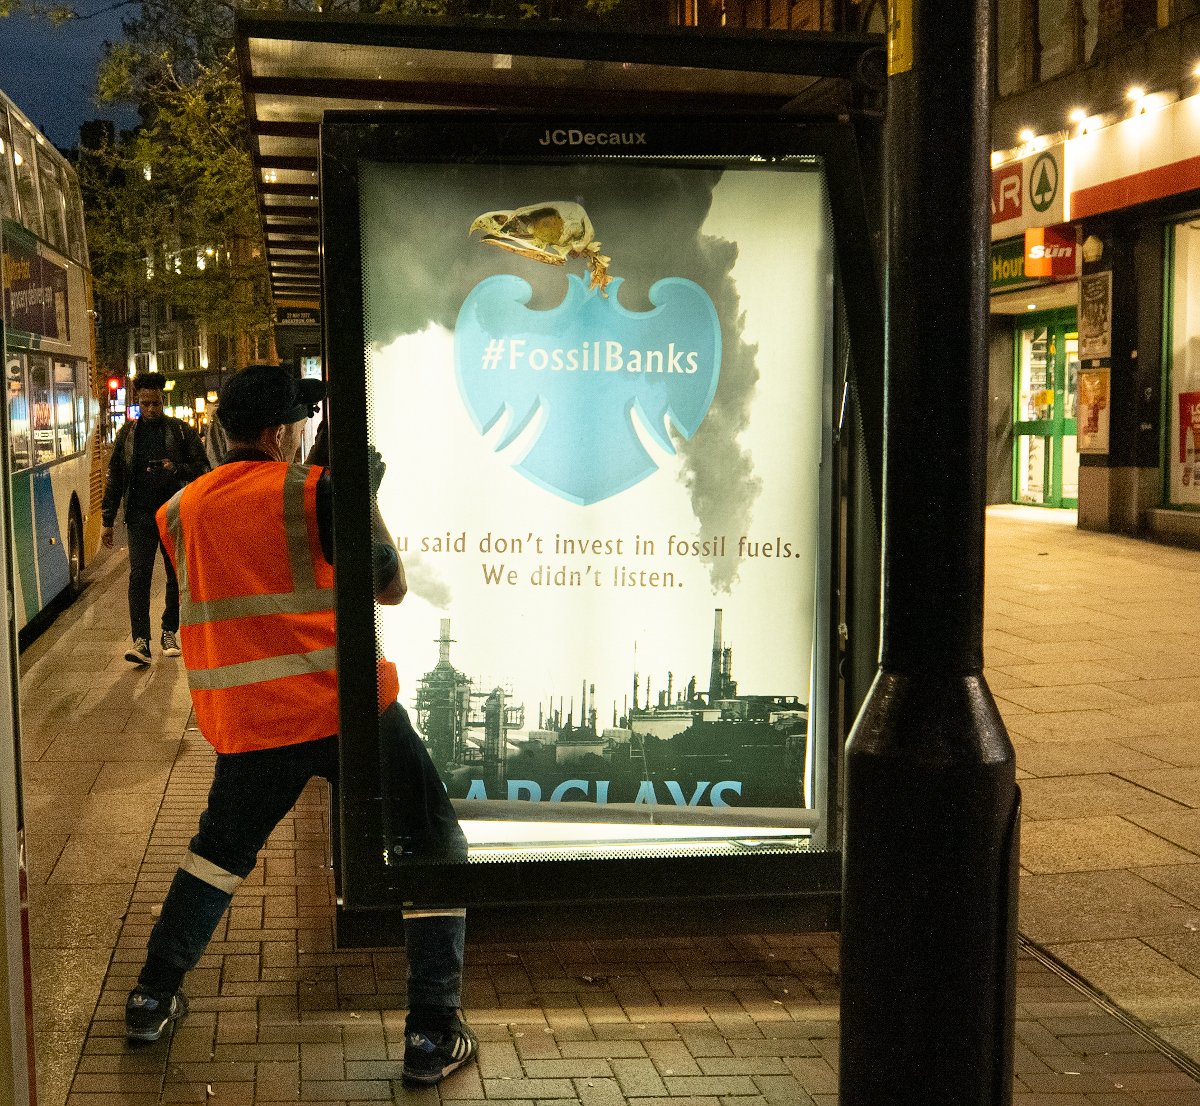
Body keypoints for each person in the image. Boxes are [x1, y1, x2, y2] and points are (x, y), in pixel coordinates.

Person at [124, 364, 476, 1088]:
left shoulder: (180, 510)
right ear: (282, 431)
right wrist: (358, 496)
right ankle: (431, 1031)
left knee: (217, 855)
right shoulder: (311, 491)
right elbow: (391, 586)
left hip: (252, 724)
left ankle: (151, 993)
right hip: (347, 710)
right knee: (433, 841)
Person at [101, 372, 208, 665]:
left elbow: (203, 468)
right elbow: (115, 478)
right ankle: (141, 640)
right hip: (139, 516)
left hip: (173, 514)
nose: (150, 409)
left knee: (175, 575)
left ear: (163, 400)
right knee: (139, 576)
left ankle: (168, 630)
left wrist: (175, 468)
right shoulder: (127, 435)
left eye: (156, 404)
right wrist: (107, 520)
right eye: (145, 404)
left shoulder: (180, 431)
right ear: (138, 401)